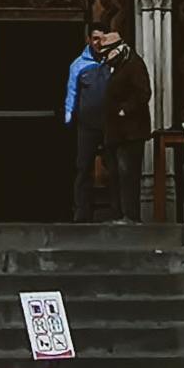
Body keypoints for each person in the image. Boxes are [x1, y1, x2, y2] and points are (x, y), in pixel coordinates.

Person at [90, 29, 156, 220]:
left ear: (117, 49)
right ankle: (118, 214)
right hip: (115, 132)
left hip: (130, 132)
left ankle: (131, 216)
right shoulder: (116, 67)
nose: (105, 57)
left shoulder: (133, 65)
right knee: (116, 175)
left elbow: (143, 93)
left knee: (128, 175)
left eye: (107, 52)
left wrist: (125, 109)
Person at [61, 28, 112, 223]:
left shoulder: (113, 61)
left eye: (102, 39)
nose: (99, 43)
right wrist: (68, 116)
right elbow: (72, 91)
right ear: (89, 40)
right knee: (83, 168)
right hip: (87, 125)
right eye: (95, 39)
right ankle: (82, 213)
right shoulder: (79, 65)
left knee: (114, 167)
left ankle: (116, 212)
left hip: (109, 124)